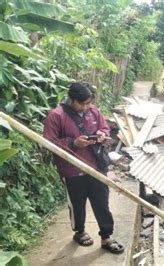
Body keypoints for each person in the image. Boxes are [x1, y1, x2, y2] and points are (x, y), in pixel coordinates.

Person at [43, 82, 124, 254]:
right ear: (71, 100)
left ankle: (106, 237)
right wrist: (73, 142)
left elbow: (104, 127)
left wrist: (102, 134)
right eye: (82, 103)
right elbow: (48, 142)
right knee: (77, 204)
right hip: (72, 170)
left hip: (96, 166)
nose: (86, 107)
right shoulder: (56, 116)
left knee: (102, 202)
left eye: (88, 103)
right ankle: (79, 232)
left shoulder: (93, 111)